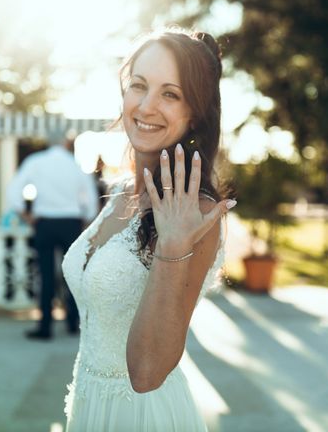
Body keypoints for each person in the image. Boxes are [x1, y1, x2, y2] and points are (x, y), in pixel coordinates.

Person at [63, 29, 235, 431]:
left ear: (196, 113)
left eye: (170, 94)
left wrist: (173, 244)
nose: (145, 105)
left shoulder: (197, 213)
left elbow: (146, 373)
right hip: (88, 407)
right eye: (138, 86)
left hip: (144, 417)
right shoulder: (121, 192)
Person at [7, 131, 99, 340]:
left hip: (45, 223)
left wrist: (26, 214)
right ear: (66, 142)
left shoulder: (35, 162)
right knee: (73, 274)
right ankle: (73, 323)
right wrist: (85, 219)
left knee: (45, 275)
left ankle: (45, 326)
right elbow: (91, 199)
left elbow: (13, 191)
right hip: (71, 223)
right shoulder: (76, 165)